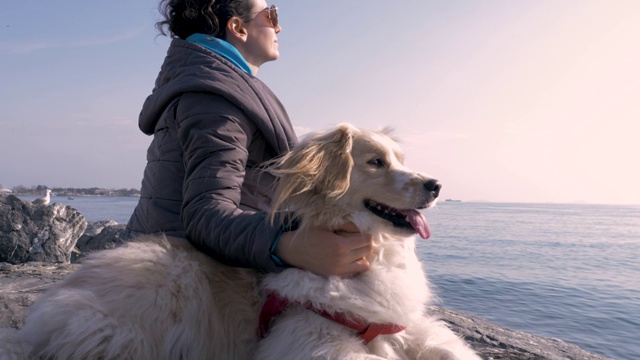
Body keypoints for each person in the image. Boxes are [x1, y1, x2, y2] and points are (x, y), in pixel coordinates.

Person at [124, 0, 373, 277]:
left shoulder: (213, 87)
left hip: (176, 261)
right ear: (238, 27)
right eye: (271, 15)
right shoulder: (214, 101)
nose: (279, 26)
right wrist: (290, 246)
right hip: (180, 279)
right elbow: (205, 216)